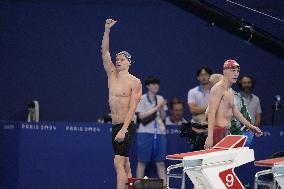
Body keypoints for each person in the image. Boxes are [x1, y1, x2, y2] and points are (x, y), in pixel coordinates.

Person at [101, 19, 142, 189]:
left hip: (127, 125)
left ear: (129, 63)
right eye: (117, 59)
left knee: (118, 162)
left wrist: (124, 129)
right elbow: (104, 52)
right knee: (124, 162)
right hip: (115, 124)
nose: (118, 61)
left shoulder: (135, 82)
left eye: (122, 59)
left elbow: (133, 108)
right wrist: (107, 30)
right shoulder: (111, 75)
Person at [204, 60, 262, 149]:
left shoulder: (230, 91)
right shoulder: (218, 88)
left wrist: (251, 126)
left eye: (237, 71)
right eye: (233, 71)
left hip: (226, 132)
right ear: (225, 72)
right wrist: (210, 137)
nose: (236, 74)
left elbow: (235, 111)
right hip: (218, 132)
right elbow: (211, 113)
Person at [136, 76, 167, 185]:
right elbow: (141, 116)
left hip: (160, 132)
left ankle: (164, 186)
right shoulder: (142, 98)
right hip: (145, 132)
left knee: (160, 162)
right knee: (142, 161)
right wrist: (157, 107)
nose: (156, 86)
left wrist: (162, 107)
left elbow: (163, 117)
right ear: (148, 86)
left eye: (157, 84)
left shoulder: (160, 98)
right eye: (153, 84)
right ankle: (137, 186)